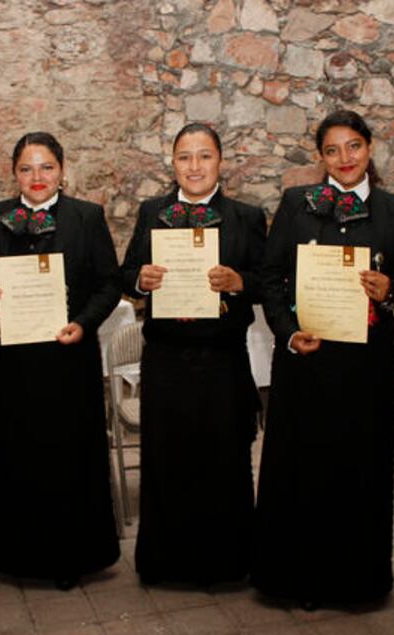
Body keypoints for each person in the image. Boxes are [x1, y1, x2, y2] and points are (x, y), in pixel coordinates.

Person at [252, 110, 394, 608]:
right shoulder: (296, 204)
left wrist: (392, 289)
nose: (344, 158)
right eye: (332, 150)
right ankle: (295, 580)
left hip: (366, 368)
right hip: (305, 362)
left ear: (370, 147)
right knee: (302, 469)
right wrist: (287, 333)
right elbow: (270, 277)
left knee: (359, 470)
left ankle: (354, 584)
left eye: (353, 146)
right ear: (320, 157)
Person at [120, 123, 266, 585]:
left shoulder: (246, 216)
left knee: (223, 460)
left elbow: (270, 281)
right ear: (173, 163)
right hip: (166, 360)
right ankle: (166, 565)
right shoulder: (153, 212)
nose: (195, 166)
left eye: (204, 156)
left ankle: (227, 564)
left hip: (222, 359)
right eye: (185, 157)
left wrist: (239, 282)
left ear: (221, 161)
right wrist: (140, 280)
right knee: (168, 460)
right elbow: (126, 273)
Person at [0, 132, 120, 590]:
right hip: (15, 363)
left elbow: (109, 284)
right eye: (26, 168)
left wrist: (84, 323)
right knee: (20, 456)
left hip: (69, 357)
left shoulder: (86, 216)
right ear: (13, 173)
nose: (36, 177)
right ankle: (19, 556)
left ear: (62, 169)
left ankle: (72, 556)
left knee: (70, 456)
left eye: (46, 167)